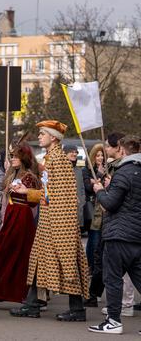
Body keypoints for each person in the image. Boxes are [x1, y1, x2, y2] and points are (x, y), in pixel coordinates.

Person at [10, 120, 89, 321]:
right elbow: (49, 194)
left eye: (42, 133)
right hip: (47, 220)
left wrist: (62, 227)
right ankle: (32, 305)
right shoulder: (51, 158)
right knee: (37, 261)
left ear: (53, 137)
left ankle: (77, 309)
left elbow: (64, 197)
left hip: (59, 223)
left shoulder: (59, 161)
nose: (39, 136)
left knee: (67, 263)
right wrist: (28, 191)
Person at [88, 136, 141, 335]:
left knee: (112, 279)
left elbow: (110, 204)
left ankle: (113, 320)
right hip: (137, 235)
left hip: (119, 234)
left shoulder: (124, 172)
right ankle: (113, 319)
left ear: (121, 149)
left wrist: (101, 190)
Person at [0, 144, 40, 308]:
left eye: (15, 156)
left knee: (14, 255)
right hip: (10, 216)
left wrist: (19, 191)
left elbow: (33, 201)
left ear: (22, 158)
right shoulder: (11, 174)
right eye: (11, 156)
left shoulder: (29, 177)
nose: (12, 158)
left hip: (21, 218)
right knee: (2, 254)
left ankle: (9, 293)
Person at [82, 144, 106, 270]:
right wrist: (98, 177)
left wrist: (95, 180)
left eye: (102, 155)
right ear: (93, 156)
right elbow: (88, 187)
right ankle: (91, 266)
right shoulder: (86, 169)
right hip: (92, 208)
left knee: (98, 238)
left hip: (104, 207)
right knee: (94, 237)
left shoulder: (107, 168)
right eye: (97, 155)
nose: (100, 158)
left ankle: (94, 265)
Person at [64, 144, 87, 233]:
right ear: (65, 154)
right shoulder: (60, 169)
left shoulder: (78, 170)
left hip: (78, 208)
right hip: (64, 211)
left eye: (75, 152)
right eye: (71, 152)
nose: (74, 154)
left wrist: (82, 200)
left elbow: (81, 188)